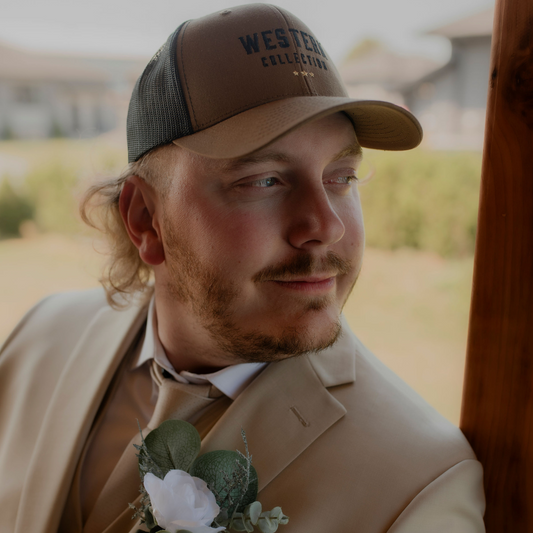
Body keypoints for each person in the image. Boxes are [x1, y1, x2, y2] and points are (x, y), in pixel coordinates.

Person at [0, 3, 485, 533]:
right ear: (146, 220)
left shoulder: (420, 486)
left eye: (341, 177)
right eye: (264, 180)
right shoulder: (38, 338)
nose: (326, 225)